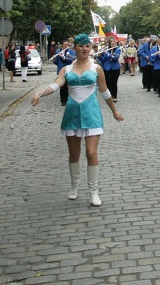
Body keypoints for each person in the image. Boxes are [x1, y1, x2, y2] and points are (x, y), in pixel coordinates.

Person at [32, 33, 124, 206]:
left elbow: (104, 91)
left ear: (90, 48)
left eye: (87, 46)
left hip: (92, 113)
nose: (84, 49)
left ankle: (93, 191)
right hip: (72, 113)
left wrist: (114, 111)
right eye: (81, 46)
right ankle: (74, 185)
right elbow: (56, 85)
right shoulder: (66, 69)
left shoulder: (96, 68)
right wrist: (39, 93)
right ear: (74, 48)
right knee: (74, 154)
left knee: (91, 153)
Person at [52, 40, 75, 105]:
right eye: (65, 45)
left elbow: (72, 60)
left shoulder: (71, 51)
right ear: (62, 45)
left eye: (68, 45)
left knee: (68, 85)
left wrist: (64, 57)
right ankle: (63, 101)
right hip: (61, 70)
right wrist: (54, 59)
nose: (67, 46)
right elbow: (56, 62)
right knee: (62, 86)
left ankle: (69, 99)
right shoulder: (58, 51)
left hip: (69, 70)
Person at [98, 37, 121, 102]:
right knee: (109, 83)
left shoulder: (118, 50)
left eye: (114, 44)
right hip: (107, 68)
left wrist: (107, 53)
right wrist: (100, 56)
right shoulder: (107, 50)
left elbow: (115, 58)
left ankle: (115, 96)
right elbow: (103, 61)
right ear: (109, 44)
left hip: (115, 68)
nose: (113, 45)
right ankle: (110, 95)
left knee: (114, 82)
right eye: (112, 44)